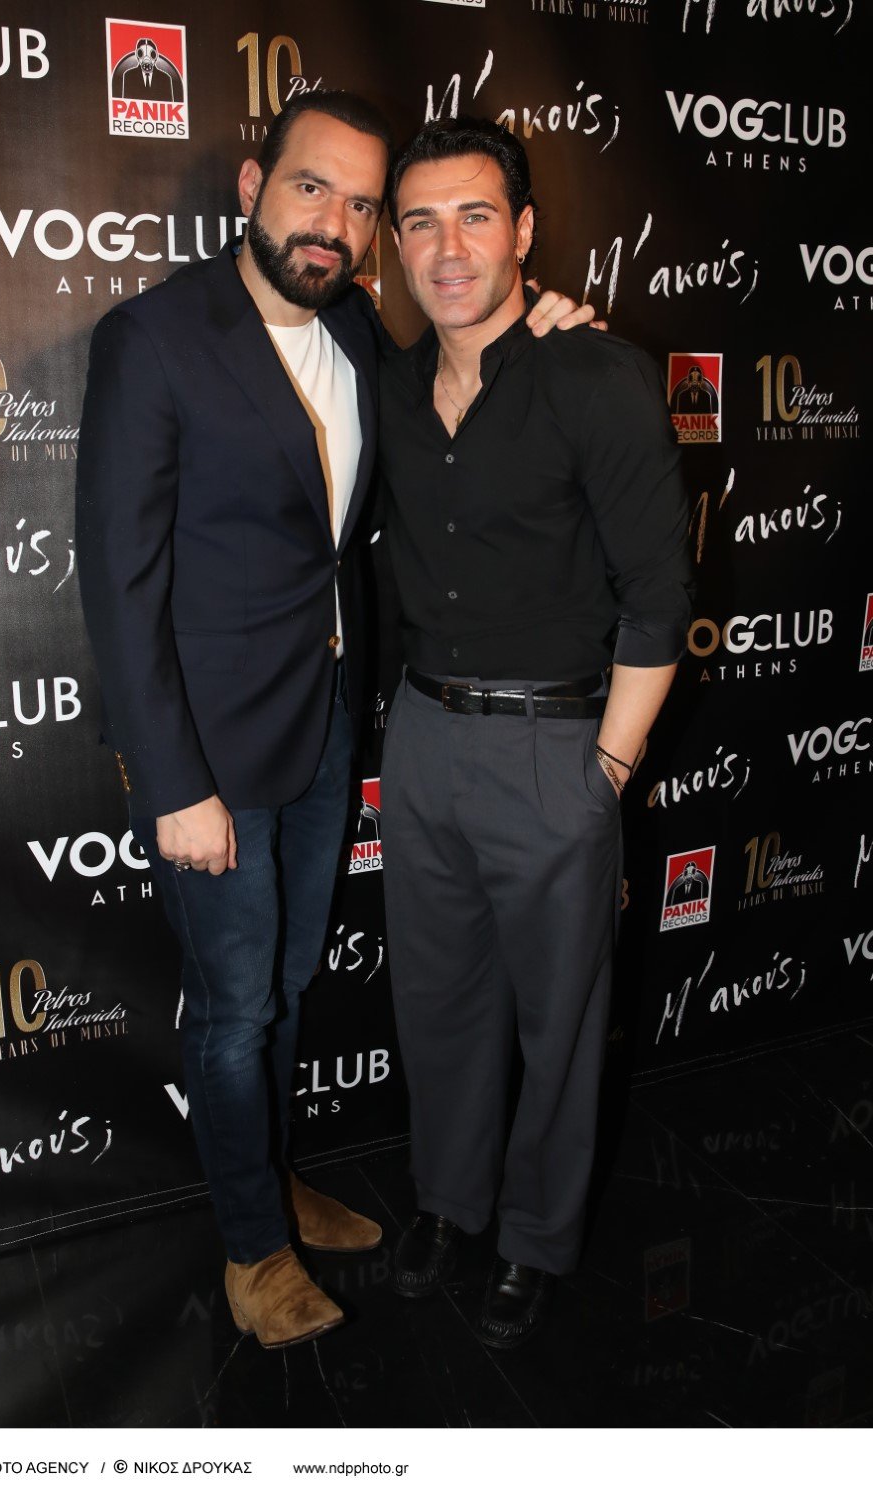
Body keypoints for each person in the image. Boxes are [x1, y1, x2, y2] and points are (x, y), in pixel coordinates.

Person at [75, 91, 591, 1352]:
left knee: (290, 983)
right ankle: (254, 1248)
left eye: (363, 206)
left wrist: (550, 325)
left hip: (322, 732)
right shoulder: (154, 338)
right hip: (208, 756)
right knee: (235, 1007)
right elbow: (119, 582)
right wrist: (169, 782)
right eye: (313, 188)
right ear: (254, 184)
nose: (336, 225)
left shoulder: (356, 325)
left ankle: (270, 1176)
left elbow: (465, 378)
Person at [377, 117, 693, 1348]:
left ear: (523, 230)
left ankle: (534, 1239)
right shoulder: (390, 384)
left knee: (559, 1025)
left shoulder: (595, 377)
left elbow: (659, 598)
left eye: (474, 216)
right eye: (419, 222)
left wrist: (603, 771)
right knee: (439, 1003)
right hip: (422, 739)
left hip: (555, 748)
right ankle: (448, 1204)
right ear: (394, 243)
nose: (447, 248)